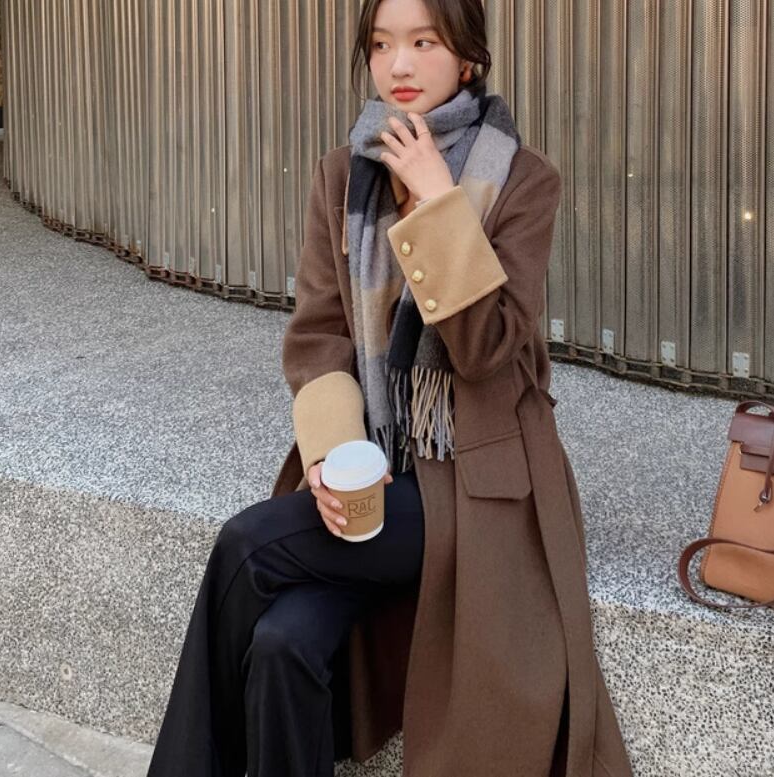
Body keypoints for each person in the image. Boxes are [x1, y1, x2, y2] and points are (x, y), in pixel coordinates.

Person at [147, 0, 634, 775]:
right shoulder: (343, 174)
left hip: (473, 480)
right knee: (280, 643)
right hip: (373, 467)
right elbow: (318, 337)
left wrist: (439, 201)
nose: (398, 64)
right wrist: (330, 452)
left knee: (245, 544)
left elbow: (485, 352)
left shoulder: (522, 179)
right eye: (380, 45)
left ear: (466, 56)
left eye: (422, 41)